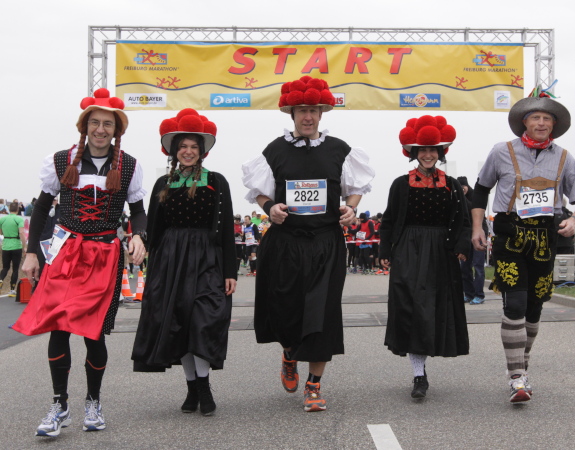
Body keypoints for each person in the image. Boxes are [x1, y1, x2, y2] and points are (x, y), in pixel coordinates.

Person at [12, 89, 147, 436]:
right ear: (84, 125)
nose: (100, 129)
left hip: (104, 256)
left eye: (108, 124)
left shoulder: (129, 166)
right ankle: (59, 405)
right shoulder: (61, 161)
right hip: (65, 253)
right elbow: (42, 208)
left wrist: (138, 235)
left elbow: (138, 211)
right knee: (58, 328)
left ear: (116, 130)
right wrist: (31, 252)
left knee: (94, 333)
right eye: (94, 122)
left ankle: (93, 402)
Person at [242, 75, 375, 412]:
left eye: (313, 110)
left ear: (321, 113)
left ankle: (314, 385)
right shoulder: (275, 150)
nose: (308, 117)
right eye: (302, 111)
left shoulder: (339, 150)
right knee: (286, 308)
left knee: (323, 313)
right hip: (286, 243)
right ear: (292, 114)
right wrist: (270, 208)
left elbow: (355, 188)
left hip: (326, 243)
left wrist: (351, 208)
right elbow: (260, 193)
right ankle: (289, 353)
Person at [471, 86, 575, 403]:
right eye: (535, 117)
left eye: (546, 119)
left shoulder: (564, 158)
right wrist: (477, 228)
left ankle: (521, 366)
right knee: (514, 303)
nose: (541, 123)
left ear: (554, 125)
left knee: (534, 307)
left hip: (544, 237)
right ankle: (517, 378)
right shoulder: (501, 151)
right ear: (524, 122)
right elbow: (481, 190)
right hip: (510, 234)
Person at [131, 108, 236, 417]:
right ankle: (193, 388)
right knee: (180, 325)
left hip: (206, 260)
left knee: (203, 321)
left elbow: (226, 230)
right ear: (174, 151)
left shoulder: (216, 181)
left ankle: (203, 386)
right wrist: (143, 251)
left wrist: (230, 271)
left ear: (201, 151)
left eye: (193, 146)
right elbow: (154, 228)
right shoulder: (163, 183)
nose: (188, 151)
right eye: (182, 146)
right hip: (170, 262)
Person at [380, 115, 470, 399]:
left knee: (432, 309)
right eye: (423, 150)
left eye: (433, 150)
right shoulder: (400, 184)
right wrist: (385, 250)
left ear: (440, 153)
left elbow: (463, 220)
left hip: (441, 252)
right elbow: (389, 220)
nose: (428, 155)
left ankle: (423, 365)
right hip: (408, 250)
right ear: (414, 153)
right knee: (412, 308)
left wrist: (461, 246)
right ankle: (419, 374)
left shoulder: (451, 185)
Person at [457, 176, 488, 304]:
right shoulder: (458, 199)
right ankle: (468, 293)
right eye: (459, 188)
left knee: (478, 266)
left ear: (467, 186)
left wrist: (462, 198)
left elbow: (472, 209)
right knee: (464, 267)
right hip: (466, 237)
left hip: (479, 235)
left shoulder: (475, 196)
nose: (462, 189)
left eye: (463, 187)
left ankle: (479, 295)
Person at [0, 201, 27, 296]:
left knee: (5, 267)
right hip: (16, 245)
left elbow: (0, 232)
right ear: (17, 209)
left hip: (5, 245)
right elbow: (21, 233)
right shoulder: (19, 219)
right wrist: (25, 246)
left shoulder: (3, 219)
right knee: (15, 269)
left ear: (9, 209)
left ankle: (0, 279)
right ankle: (12, 290)